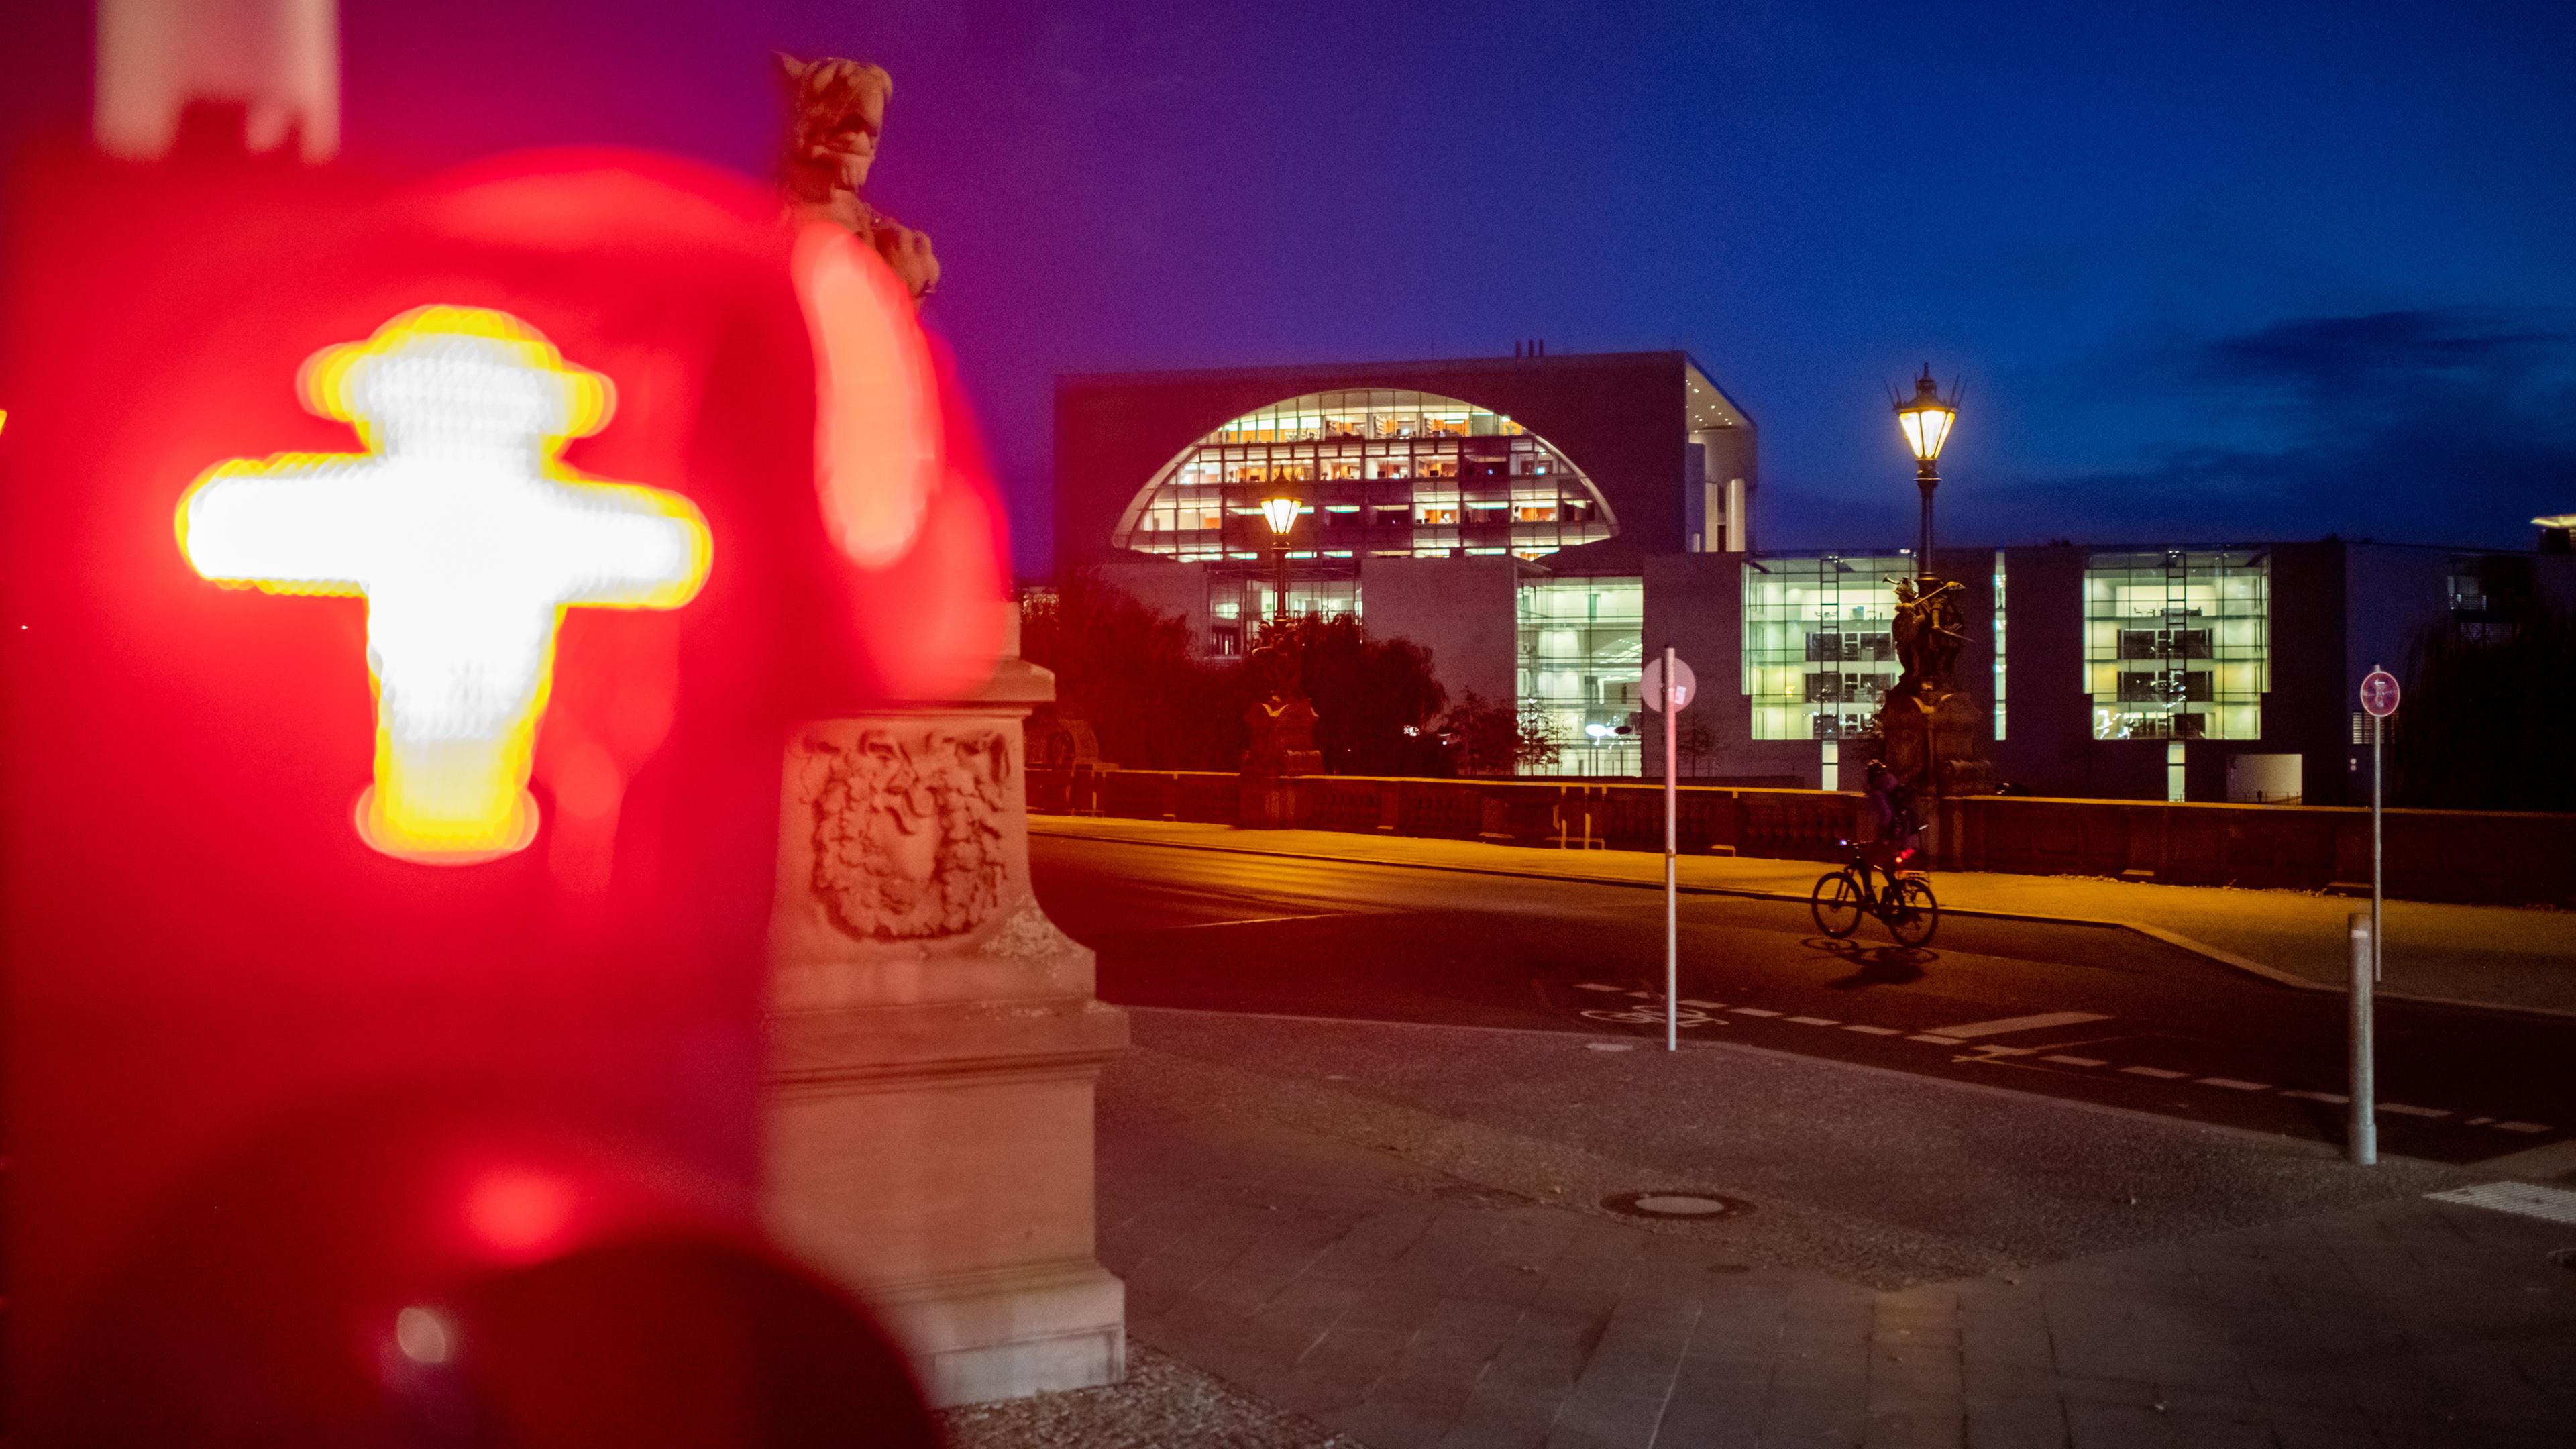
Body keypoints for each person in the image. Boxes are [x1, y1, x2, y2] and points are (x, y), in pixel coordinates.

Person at [1859, 761, 1923, 903]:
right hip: (1904, 834)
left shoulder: (1878, 792)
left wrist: (1882, 835)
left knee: (1863, 862)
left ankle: (1869, 895)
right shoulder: (1893, 787)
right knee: (1887, 868)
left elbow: (1886, 815)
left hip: (1892, 836)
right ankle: (1896, 899)